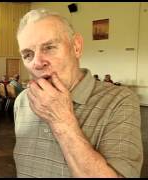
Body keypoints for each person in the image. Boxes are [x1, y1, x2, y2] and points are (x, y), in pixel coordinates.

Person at [13, 8, 143, 178]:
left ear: (76, 47)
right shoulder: (23, 101)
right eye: (28, 54)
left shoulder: (119, 101)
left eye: (49, 47)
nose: (37, 62)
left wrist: (61, 121)